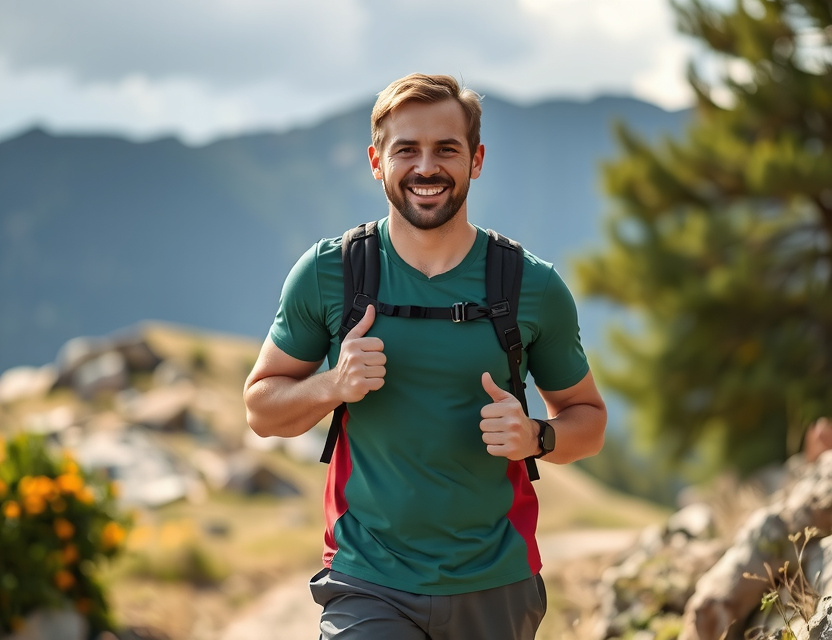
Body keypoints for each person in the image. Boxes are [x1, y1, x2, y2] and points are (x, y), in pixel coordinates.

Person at [243, 73, 607, 640]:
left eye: (446, 149)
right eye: (406, 149)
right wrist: (331, 386)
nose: (426, 167)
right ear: (376, 160)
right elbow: (260, 409)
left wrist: (538, 437)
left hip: (496, 583)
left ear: (476, 159)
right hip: (368, 579)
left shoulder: (530, 286)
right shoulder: (329, 272)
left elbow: (589, 420)